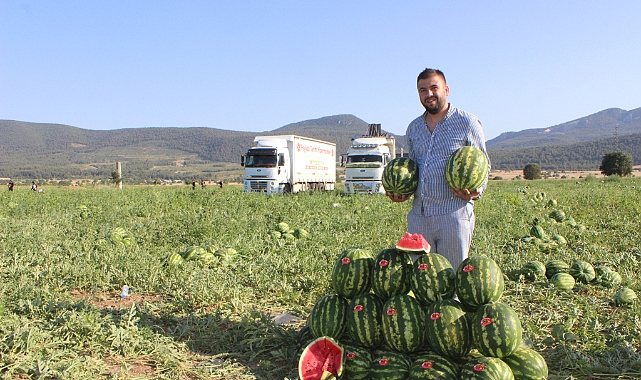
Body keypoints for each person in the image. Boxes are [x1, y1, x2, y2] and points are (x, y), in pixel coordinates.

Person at [387, 68, 490, 271]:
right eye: (423, 90)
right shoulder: (414, 128)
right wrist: (402, 191)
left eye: (434, 88)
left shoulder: (467, 122)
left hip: (453, 214)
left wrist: (477, 191)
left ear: (446, 89)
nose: (429, 94)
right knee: (422, 281)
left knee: (452, 279)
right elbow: (413, 167)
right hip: (420, 216)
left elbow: (483, 162)